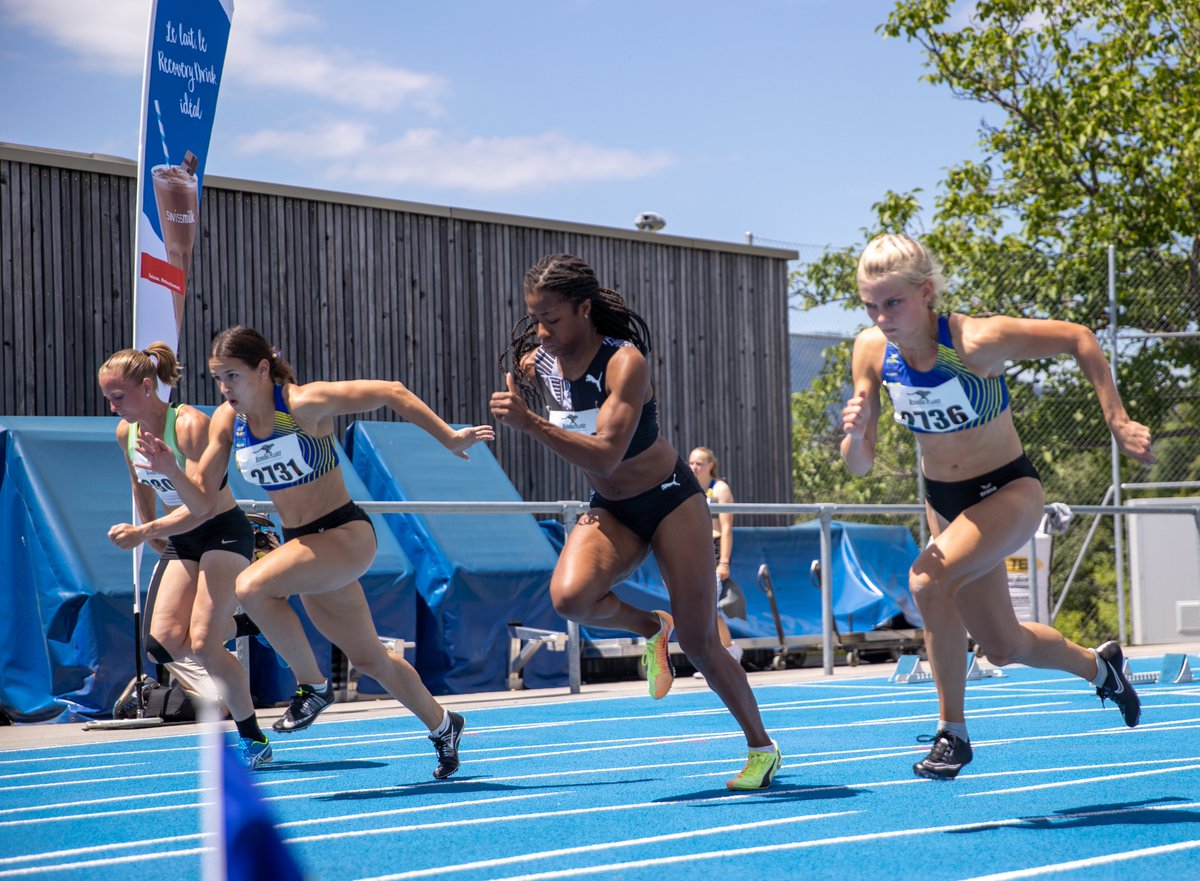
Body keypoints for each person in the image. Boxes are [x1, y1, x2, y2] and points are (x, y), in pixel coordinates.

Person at [840, 233, 1155, 780]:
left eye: (893, 302)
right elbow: (859, 465)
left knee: (925, 582)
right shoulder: (871, 350)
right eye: (870, 305)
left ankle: (952, 733)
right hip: (945, 502)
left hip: (1007, 490)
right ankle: (1102, 669)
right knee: (1003, 646)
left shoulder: (976, 340)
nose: (882, 317)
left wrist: (1117, 420)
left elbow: (1079, 338)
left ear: (926, 292)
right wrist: (853, 436)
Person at [137, 325, 494, 780]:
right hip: (305, 546)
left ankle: (313, 686)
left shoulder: (303, 403)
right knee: (369, 659)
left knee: (252, 586)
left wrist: (448, 438)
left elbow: (391, 390)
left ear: (263, 369)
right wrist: (170, 470)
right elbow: (204, 499)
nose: (225, 389)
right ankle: (445, 724)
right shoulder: (230, 422)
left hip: (344, 535)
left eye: (233, 376)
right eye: (218, 379)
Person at [490, 254, 781, 790]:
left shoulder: (625, 362)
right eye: (534, 318)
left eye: (552, 319)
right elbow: (594, 461)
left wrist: (528, 422)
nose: (541, 330)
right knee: (571, 598)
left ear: (584, 308)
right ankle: (652, 626)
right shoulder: (539, 364)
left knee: (700, 644)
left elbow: (604, 453)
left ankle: (762, 748)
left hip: (670, 499)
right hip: (612, 507)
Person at [99, 343, 277, 767]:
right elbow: (142, 485)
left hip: (222, 530)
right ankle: (247, 622)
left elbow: (201, 505)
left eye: (119, 397)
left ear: (147, 386)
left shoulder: (191, 425)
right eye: (107, 398)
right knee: (161, 644)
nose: (112, 407)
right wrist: (152, 533)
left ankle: (253, 739)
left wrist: (146, 530)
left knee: (204, 642)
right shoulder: (126, 432)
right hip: (180, 535)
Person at [687, 447, 745, 676]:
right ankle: (727, 650)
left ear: (711, 464)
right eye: (691, 463)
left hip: (714, 549)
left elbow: (727, 528)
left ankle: (723, 653)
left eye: (699, 463)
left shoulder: (719, 489)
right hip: (693, 550)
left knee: (709, 607)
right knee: (700, 608)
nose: (694, 467)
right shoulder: (688, 487)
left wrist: (725, 562)